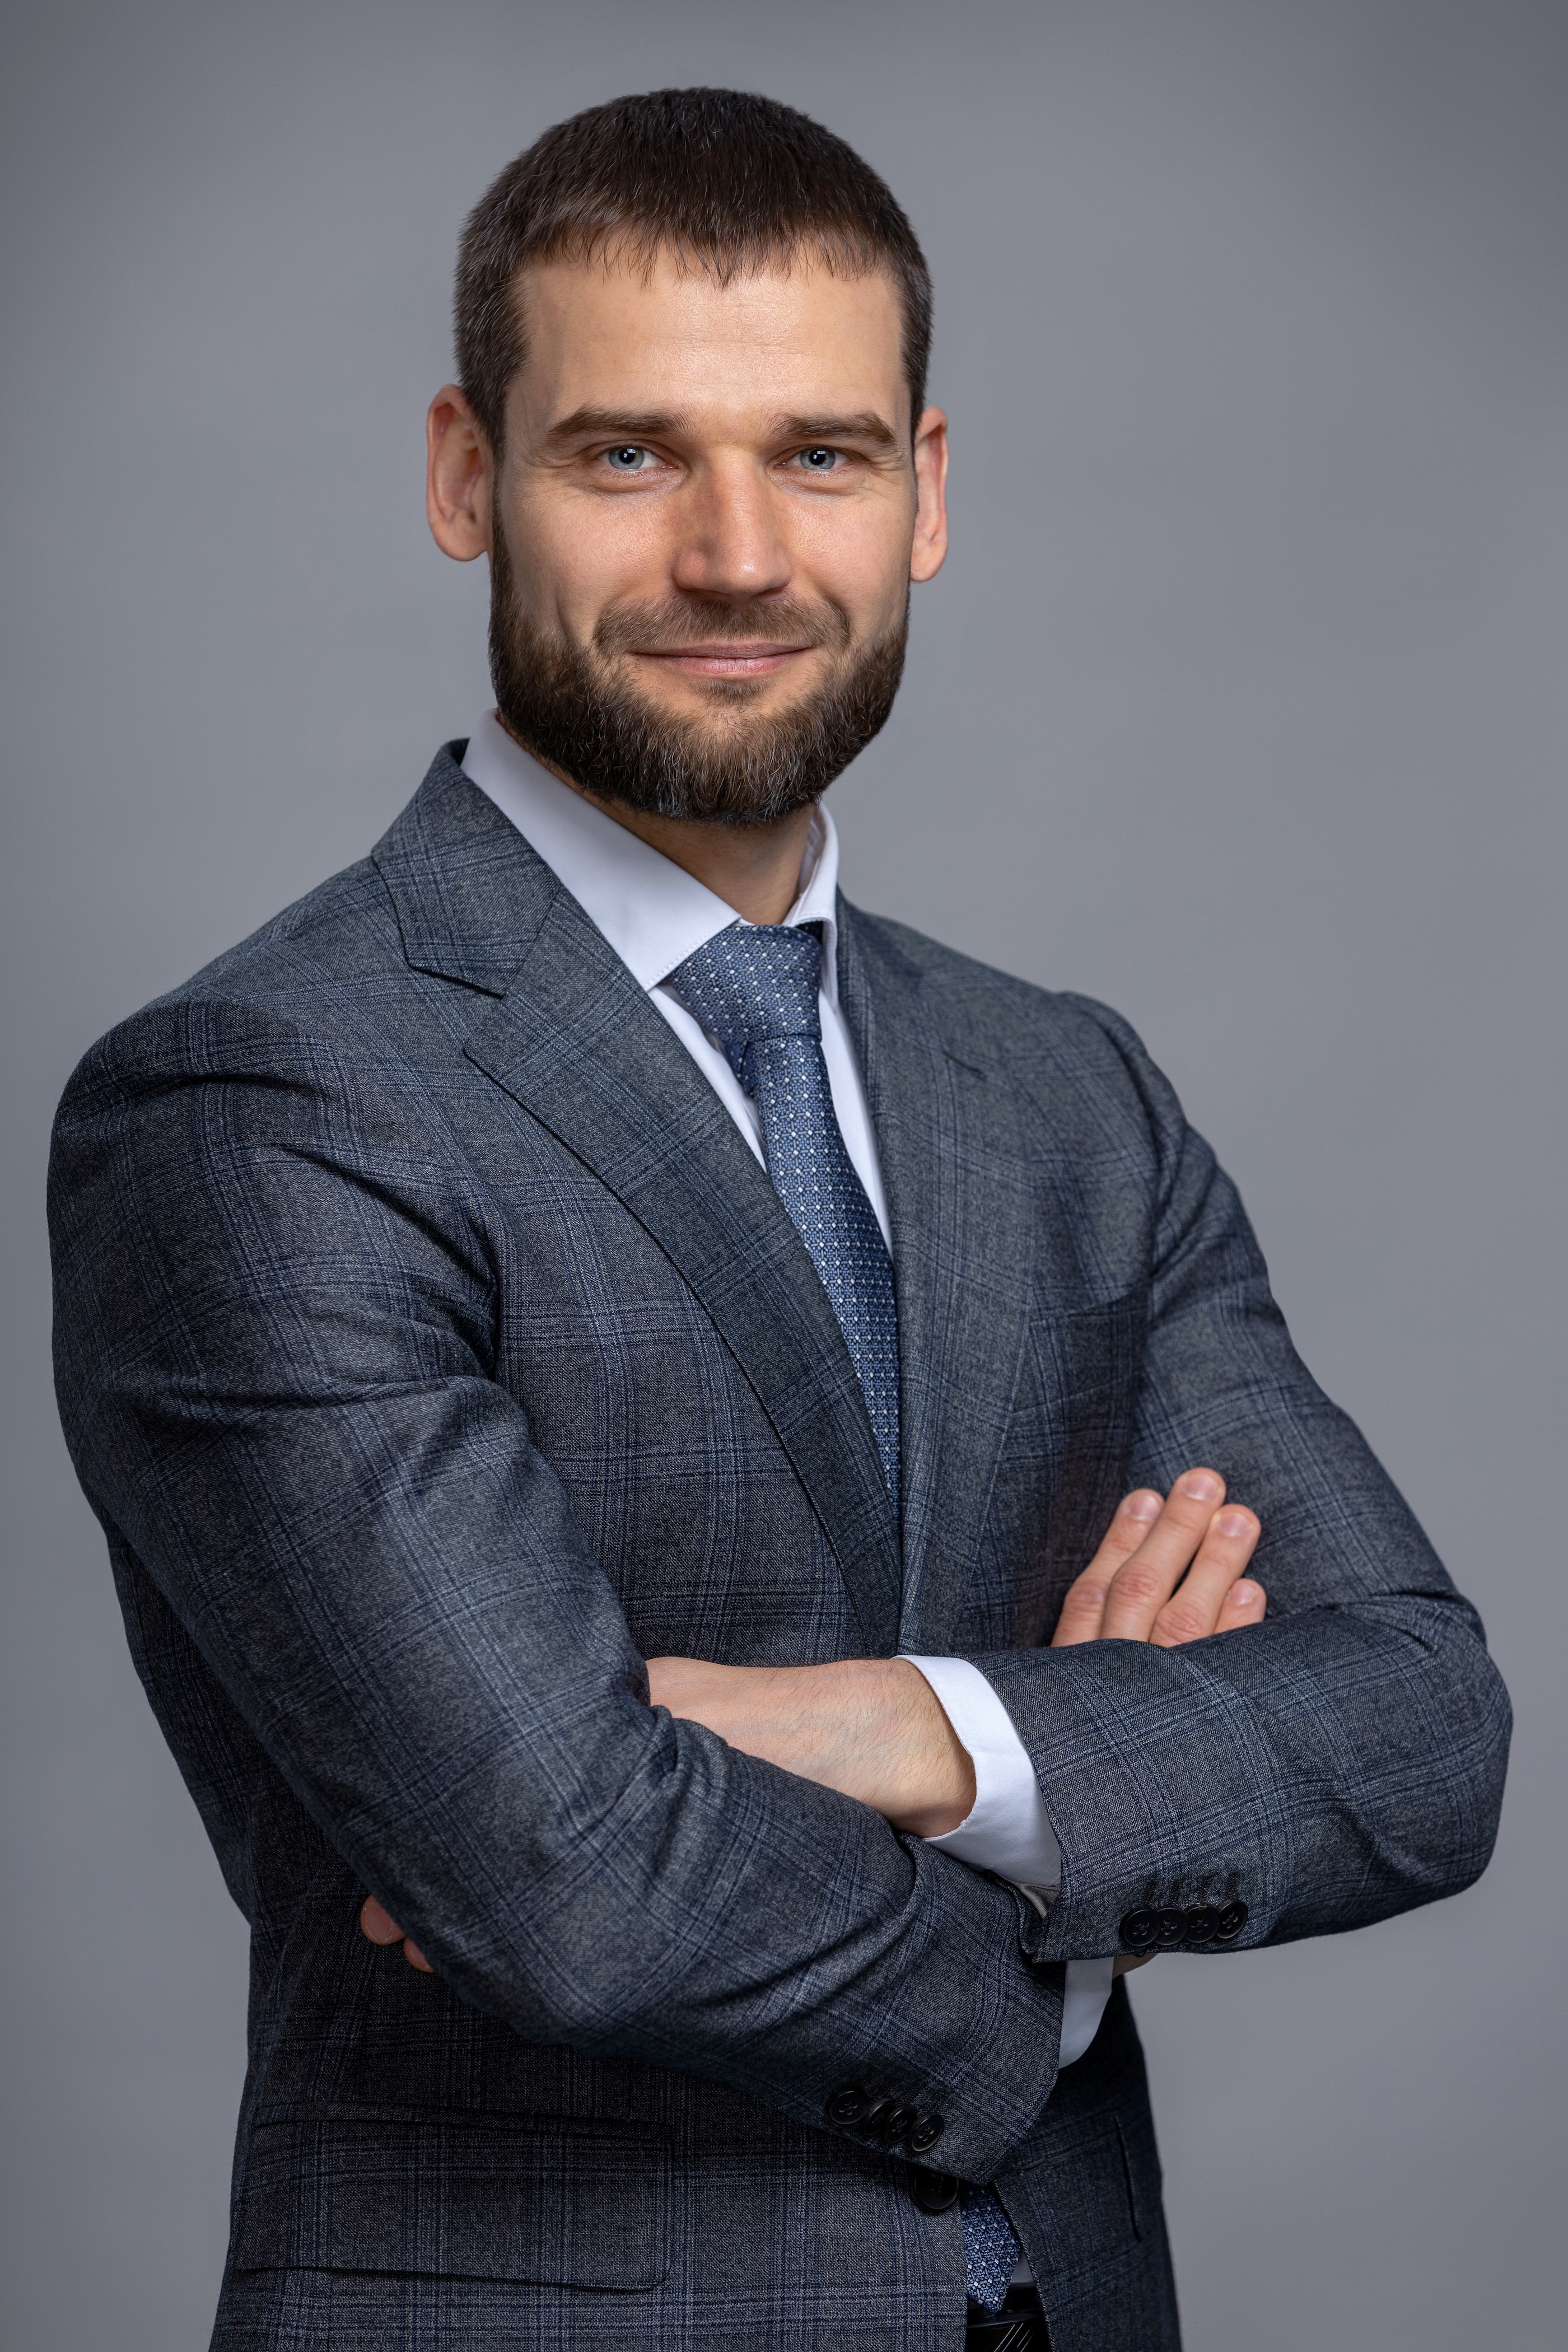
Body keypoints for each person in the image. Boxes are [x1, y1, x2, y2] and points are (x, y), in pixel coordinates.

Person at [48, 87, 1509, 2352]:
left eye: (817, 455)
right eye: (630, 453)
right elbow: (572, 1883)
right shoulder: (264, 1098)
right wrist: (1071, 1893)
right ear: (466, 475)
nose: (737, 557)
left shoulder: (1065, 1093)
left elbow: (1418, 1732)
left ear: (925, 492)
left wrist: (910, 1730)